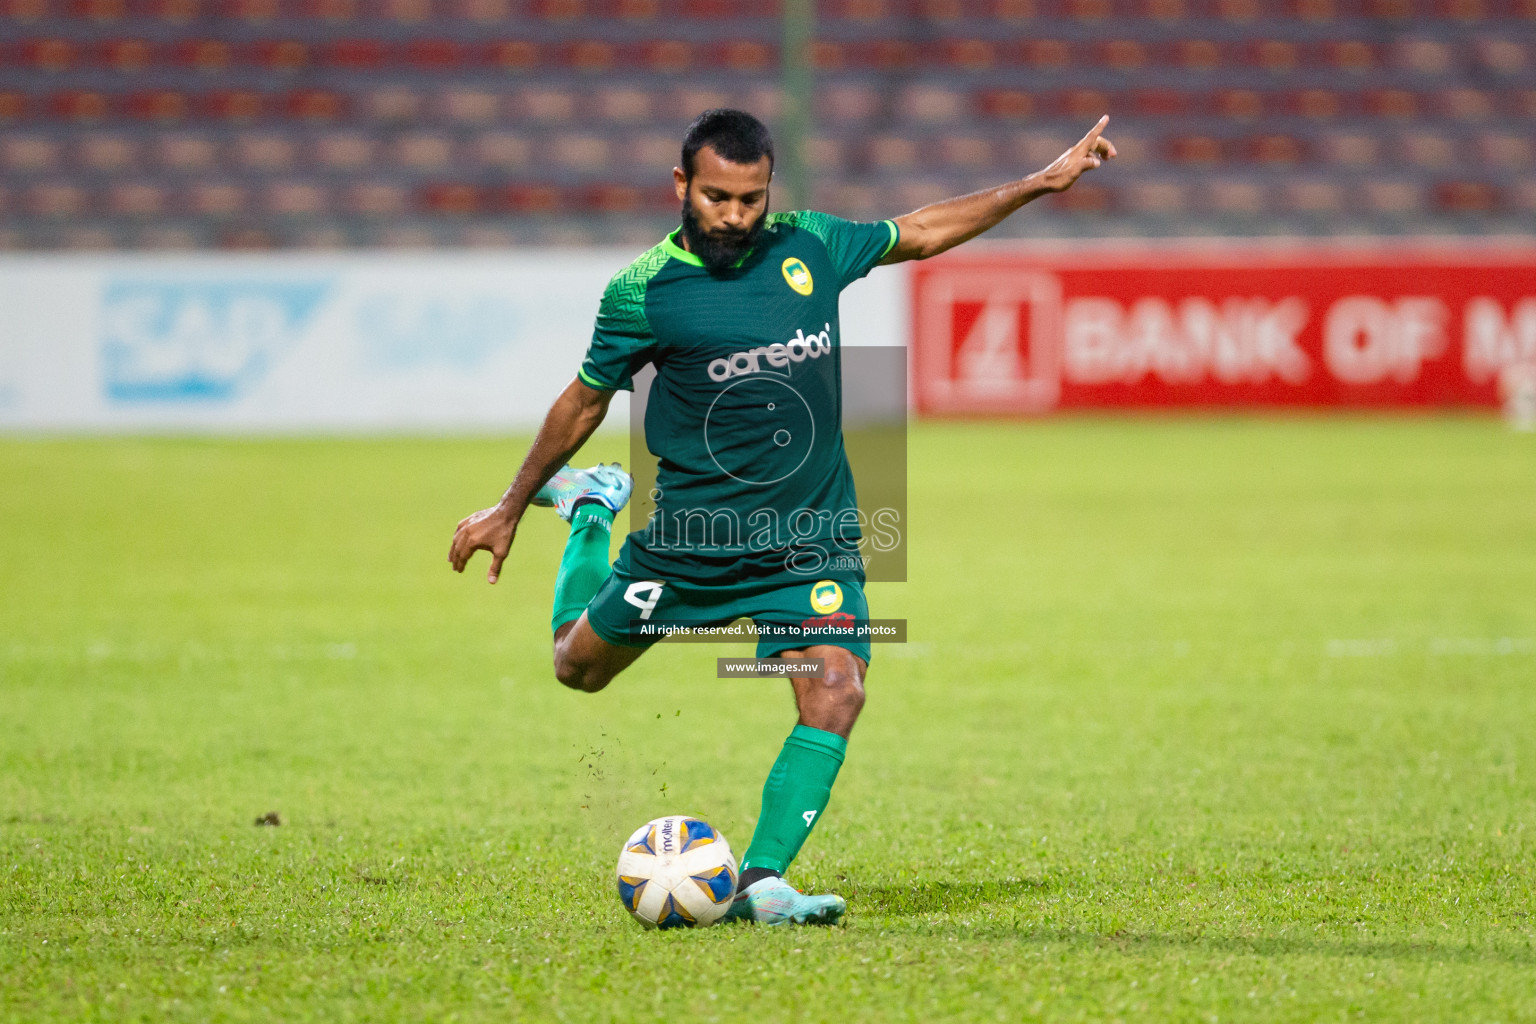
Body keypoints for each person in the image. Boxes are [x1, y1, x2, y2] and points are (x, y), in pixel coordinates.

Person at [449, 108, 1115, 926]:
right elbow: (584, 400)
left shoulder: (812, 246)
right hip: (690, 545)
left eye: (751, 199)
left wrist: (1040, 184)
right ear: (681, 186)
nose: (734, 216)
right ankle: (591, 509)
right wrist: (513, 505)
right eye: (717, 197)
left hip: (809, 542)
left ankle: (762, 881)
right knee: (575, 668)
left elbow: (925, 231)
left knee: (836, 688)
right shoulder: (642, 291)